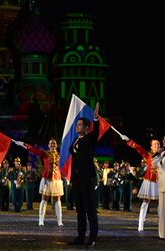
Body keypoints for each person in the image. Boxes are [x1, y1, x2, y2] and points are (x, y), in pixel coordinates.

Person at [68, 102, 100, 248]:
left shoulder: (90, 139)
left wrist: (95, 119)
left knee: (90, 210)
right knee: (80, 211)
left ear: (86, 128)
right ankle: (80, 237)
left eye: (80, 125)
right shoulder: (76, 140)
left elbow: (96, 132)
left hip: (88, 178)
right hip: (77, 180)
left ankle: (92, 238)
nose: (77, 126)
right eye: (77, 125)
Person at [15, 138, 64, 226]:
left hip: (57, 179)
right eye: (51, 143)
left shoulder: (60, 155)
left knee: (57, 200)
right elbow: (34, 150)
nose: (52, 145)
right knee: (44, 199)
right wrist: (24, 144)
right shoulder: (45, 153)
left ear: (56, 145)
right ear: (48, 145)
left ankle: (59, 220)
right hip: (47, 179)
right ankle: (41, 219)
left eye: (54, 143)